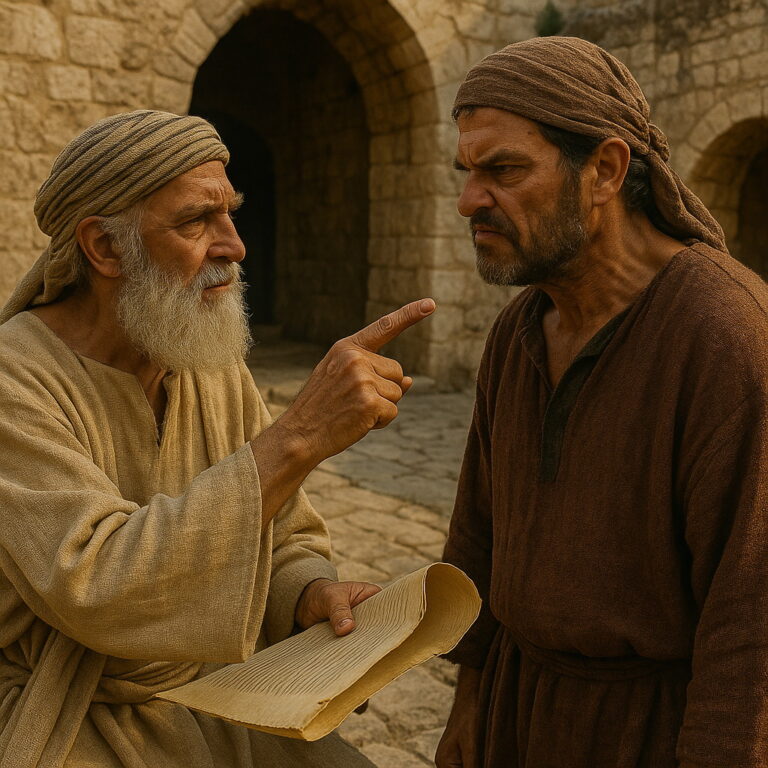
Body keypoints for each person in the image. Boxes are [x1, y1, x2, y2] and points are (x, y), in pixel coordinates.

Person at [0, 110, 435, 767]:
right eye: (196, 220)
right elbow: (96, 585)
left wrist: (306, 593)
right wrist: (298, 435)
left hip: (220, 696)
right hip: (74, 714)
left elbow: (282, 530)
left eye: (229, 213)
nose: (233, 243)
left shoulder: (204, 357)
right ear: (105, 248)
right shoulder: (15, 379)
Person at [437, 36, 768, 768]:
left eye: (505, 171)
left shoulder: (726, 336)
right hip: (514, 715)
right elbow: (478, 536)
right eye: (467, 172)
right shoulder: (519, 328)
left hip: (649, 734)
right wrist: (469, 703)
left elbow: (752, 622)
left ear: (606, 170)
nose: (469, 201)